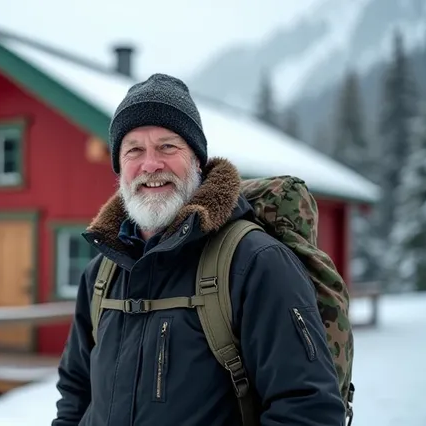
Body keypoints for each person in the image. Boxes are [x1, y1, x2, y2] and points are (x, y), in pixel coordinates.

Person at [51, 73, 347, 426]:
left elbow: (307, 408)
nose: (150, 165)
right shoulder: (101, 274)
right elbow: (74, 393)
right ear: (119, 167)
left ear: (197, 160)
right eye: (134, 150)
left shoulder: (254, 262)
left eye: (167, 146)